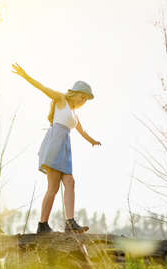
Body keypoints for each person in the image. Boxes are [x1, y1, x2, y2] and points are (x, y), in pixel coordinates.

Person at [12, 63, 101, 234]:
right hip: (54, 144)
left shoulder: (74, 113)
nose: (83, 101)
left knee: (70, 182)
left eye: (86, 99)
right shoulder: (61, 100)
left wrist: (92, 140)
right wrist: (25, 76)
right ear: (75, 93)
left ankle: (70, 222)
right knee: (53, 188)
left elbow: (81, 130)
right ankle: (42, 225)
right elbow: (43, 88)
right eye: (82, 97)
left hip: (65, 148)